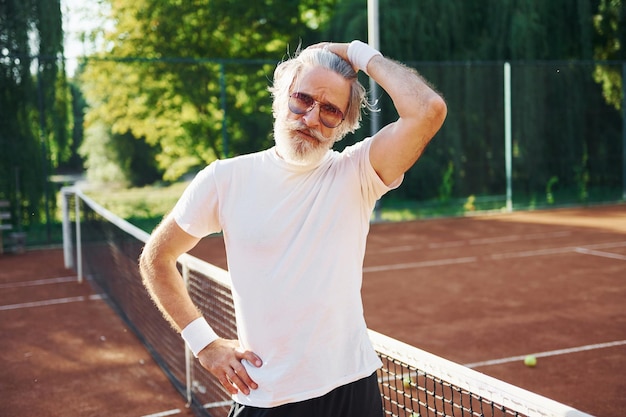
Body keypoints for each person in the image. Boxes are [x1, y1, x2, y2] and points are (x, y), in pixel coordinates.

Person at [139, 40, 447, 417]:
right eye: (302, 99)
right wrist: (205, 344)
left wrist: (358, 53)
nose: (312, 118)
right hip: (266, 397)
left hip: (353, 391)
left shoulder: (357, 173)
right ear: (281, 98)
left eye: (331, 110)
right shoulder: (225, 179)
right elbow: (157, 258)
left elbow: (427, 110)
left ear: (345, 125)